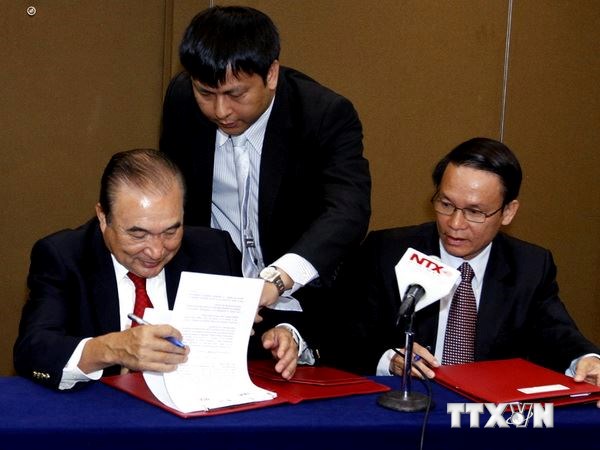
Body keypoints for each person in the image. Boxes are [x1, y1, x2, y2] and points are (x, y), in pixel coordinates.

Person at [159, 5, 371, 361]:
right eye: (206, 93)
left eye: (236, 95)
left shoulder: (323, 114)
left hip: (299, 301)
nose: (220, 111)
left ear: (271, 74)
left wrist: (278, 279)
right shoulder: (182, 99)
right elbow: (172, 193)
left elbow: (348, 212)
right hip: (212, 300)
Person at [334, 137, 600, 404]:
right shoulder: (388, 251)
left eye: (475, 212)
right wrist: (390, 359)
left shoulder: (529, 265)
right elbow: (341, 336)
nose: (455, 223)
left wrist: (587, 359)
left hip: (486, 414)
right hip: (405, 406)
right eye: (446, 205)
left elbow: (556, 332)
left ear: (508, 212)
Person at [13, 149, 300, 390]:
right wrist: (112, 348)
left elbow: (263, 322)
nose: (156, 251)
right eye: (138, 234)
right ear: (103, 217)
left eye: (170, 231)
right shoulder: (64, 256)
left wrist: (283, 335)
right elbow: (33, 349)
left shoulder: (213, 250)